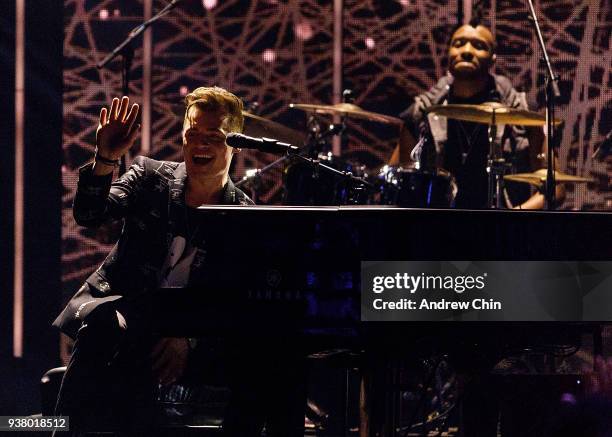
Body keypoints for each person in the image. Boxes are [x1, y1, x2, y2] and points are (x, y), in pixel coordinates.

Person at [53, 87, 302, 435]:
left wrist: (189, 339)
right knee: (101, 326)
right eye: (192, 134)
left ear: (235, 143)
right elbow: (89, 214)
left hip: (196, 333)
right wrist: (105, 158)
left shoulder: (245, 215)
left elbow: (236, 304)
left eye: (212, 137)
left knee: (271, 359)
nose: (199, 145)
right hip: (130, 314)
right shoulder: (149, 177)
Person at [389, 21, 563, 209]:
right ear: (448, 54)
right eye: (458, 44)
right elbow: (399, 181)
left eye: (479, 46)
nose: (466, 50)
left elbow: (555, 188)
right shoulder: (421, 112)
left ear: (493, 59)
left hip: (503, 230)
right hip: (438, 228)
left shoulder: (523, 110)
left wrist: (515, 216)